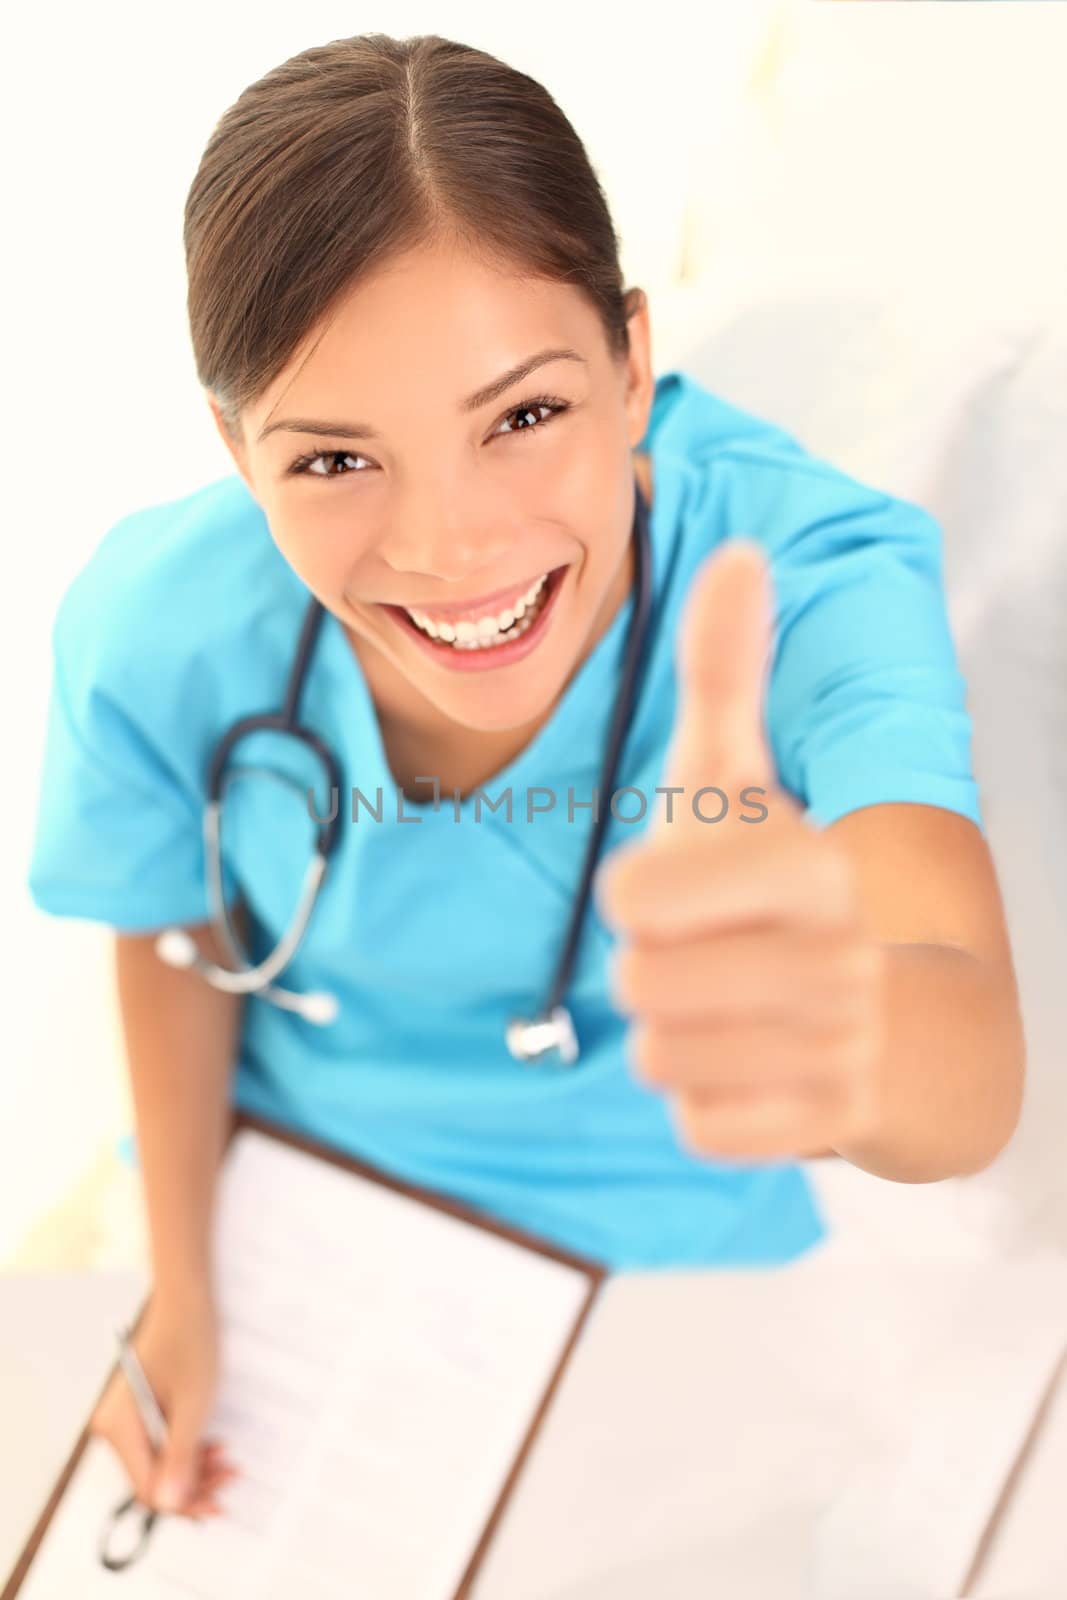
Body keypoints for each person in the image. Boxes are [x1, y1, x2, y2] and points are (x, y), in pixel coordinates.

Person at [26, 31, 1023, 1527]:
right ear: (235, 452)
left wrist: (840, 1021)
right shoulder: (156, 619)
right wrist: (186, 1283)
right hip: (290, 1221)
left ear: (630, 361)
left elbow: (964, 1060)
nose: (454, 549)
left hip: (660, 1280)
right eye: (334, 462)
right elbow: (171, 931)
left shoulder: (806, 581)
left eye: (526, 416)